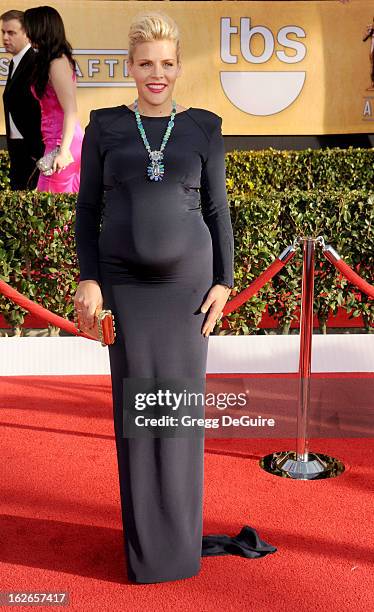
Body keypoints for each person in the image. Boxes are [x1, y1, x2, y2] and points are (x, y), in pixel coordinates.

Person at [74, 11, 276, 584]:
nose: (156, 74)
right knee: (138, 415)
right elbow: (88, 209)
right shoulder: (105, 126)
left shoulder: (204, 126)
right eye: (145, 64)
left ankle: (180, 546)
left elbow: (218, 210)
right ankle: (148, 551)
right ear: (130, 68)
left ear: (179, 66)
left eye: (166, 63)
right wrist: (89, 278)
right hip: (126, 291)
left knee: (180, 416)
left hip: (188, 292)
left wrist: (225, 281)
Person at [23, 6, 83, 193]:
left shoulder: (57, 62)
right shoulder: (52, 60)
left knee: (52, 210)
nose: (27, 34)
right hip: (58, 142)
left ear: (41, 28)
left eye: (29, 27)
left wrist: (64, 151)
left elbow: (71, 110)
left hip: (64, 144)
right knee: (54, 209)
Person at [1, 9, 43, 190]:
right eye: (3, 32)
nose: (5, 38)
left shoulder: (35, 62)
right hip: (18, 150)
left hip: (32, 152)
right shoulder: (14, 63)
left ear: (27, 34)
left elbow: (41, 107)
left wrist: (36, 152)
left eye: (11, 33)